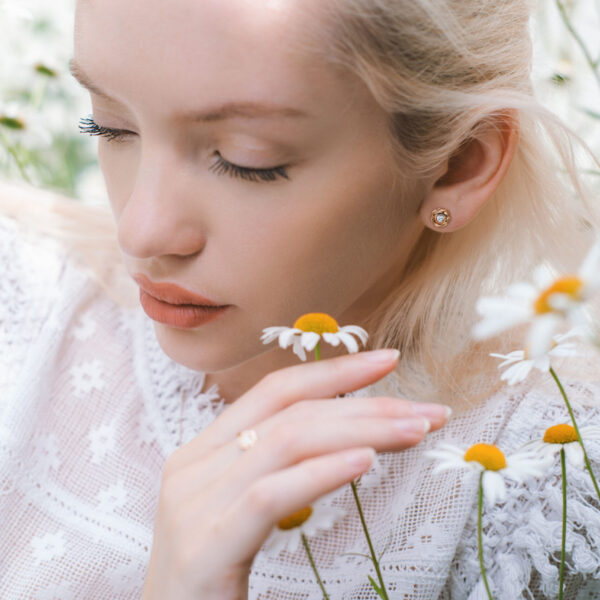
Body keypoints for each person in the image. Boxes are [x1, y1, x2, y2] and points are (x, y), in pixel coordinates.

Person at [1, 0, 599, 598]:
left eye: (247, 161)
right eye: (109, 126)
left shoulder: (546, 495)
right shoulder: (22, 307)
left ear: (457, 165)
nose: (140, 230)